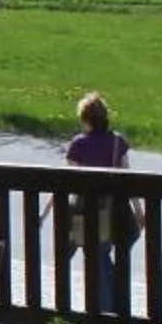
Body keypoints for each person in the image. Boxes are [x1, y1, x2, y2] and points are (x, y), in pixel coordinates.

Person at [60, 92, 136, 256]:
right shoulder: (118, 141)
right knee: (108, 250)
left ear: (86, 120)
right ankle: (117, 277)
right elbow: (127, 176)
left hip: (86, 207)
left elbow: (69, 179)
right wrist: (139, 211)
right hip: (113, 207)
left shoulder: (79, 144)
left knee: (71, 248)